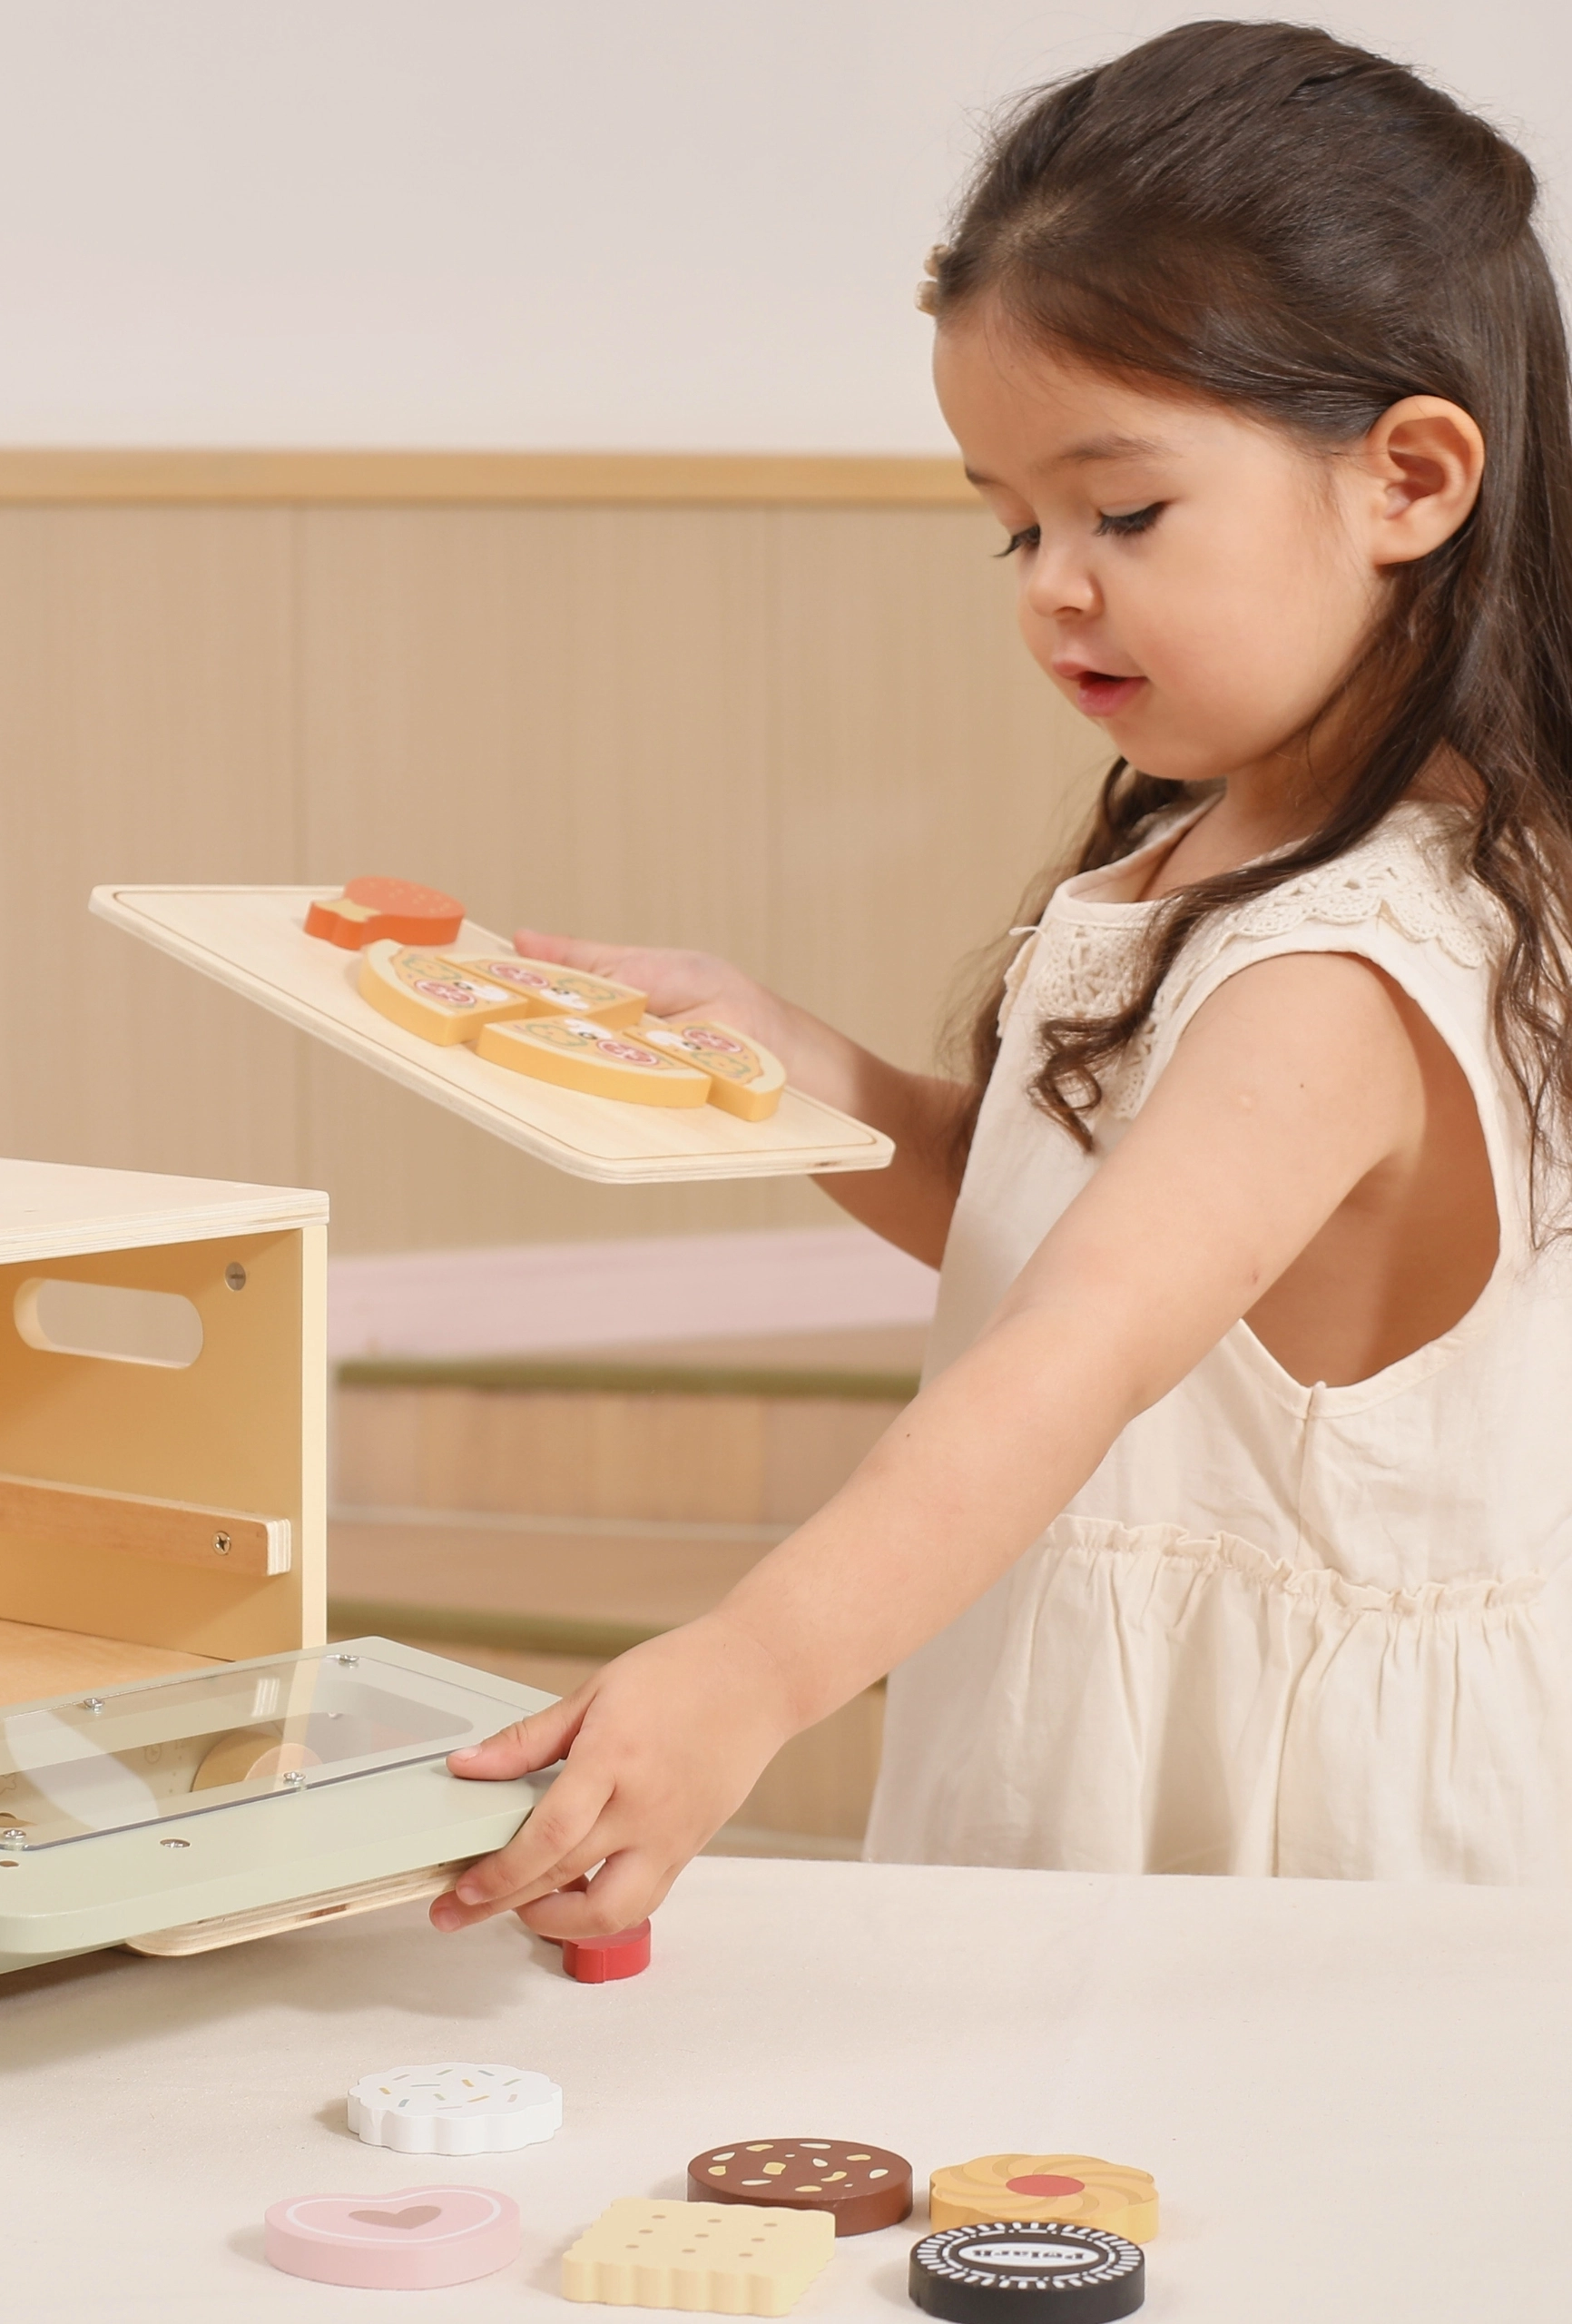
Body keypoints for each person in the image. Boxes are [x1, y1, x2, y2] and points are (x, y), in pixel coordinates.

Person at [432, 19, 1572, 1941]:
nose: (1050, 580)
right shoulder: (1220, 841)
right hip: (1111, 1712)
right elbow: (1066, 1227)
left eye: (1122, 512)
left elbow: (1076, 1351)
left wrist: (750, 1666)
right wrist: (805, 1070)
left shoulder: (1344, 961)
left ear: (1407, 477)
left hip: (1268, 1830)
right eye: (1013, 523)